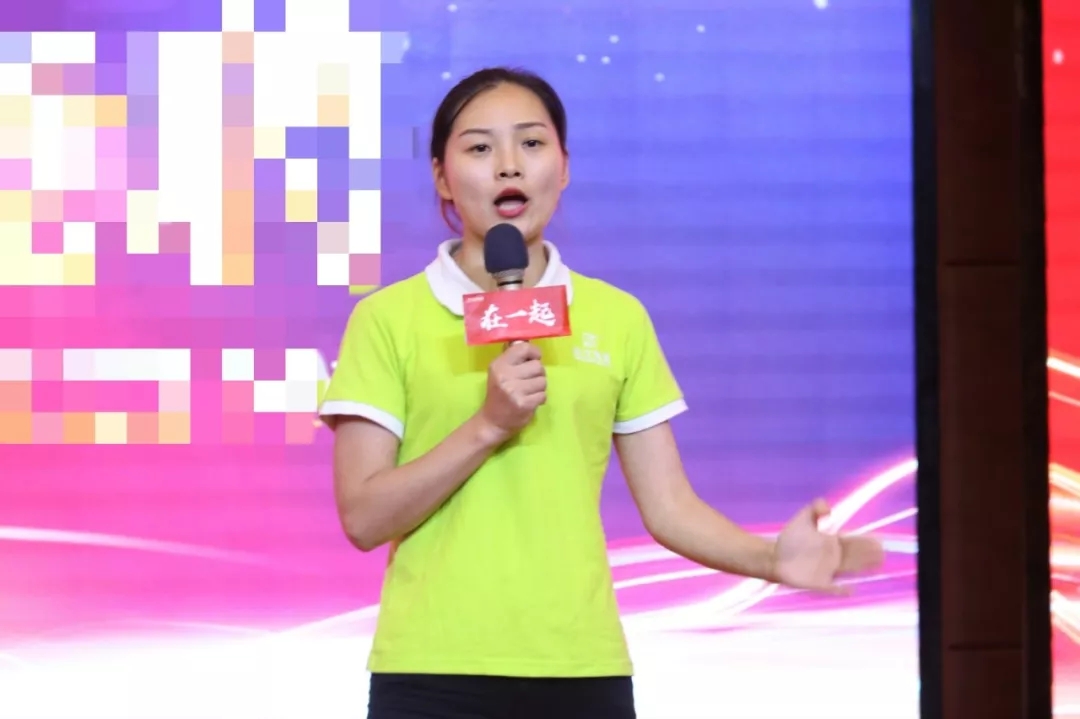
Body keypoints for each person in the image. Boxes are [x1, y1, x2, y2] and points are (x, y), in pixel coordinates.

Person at [318, 67, 885, 719]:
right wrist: (487, 426)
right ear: (443, 177)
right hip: (432, 671)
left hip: (582, 669)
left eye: (532, 143)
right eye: (479, 148)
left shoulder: (616, 318)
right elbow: (364, 517)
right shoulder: (389, 319)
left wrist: (770, 559)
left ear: (563, 166)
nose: (509, 165)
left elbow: (669, 507)